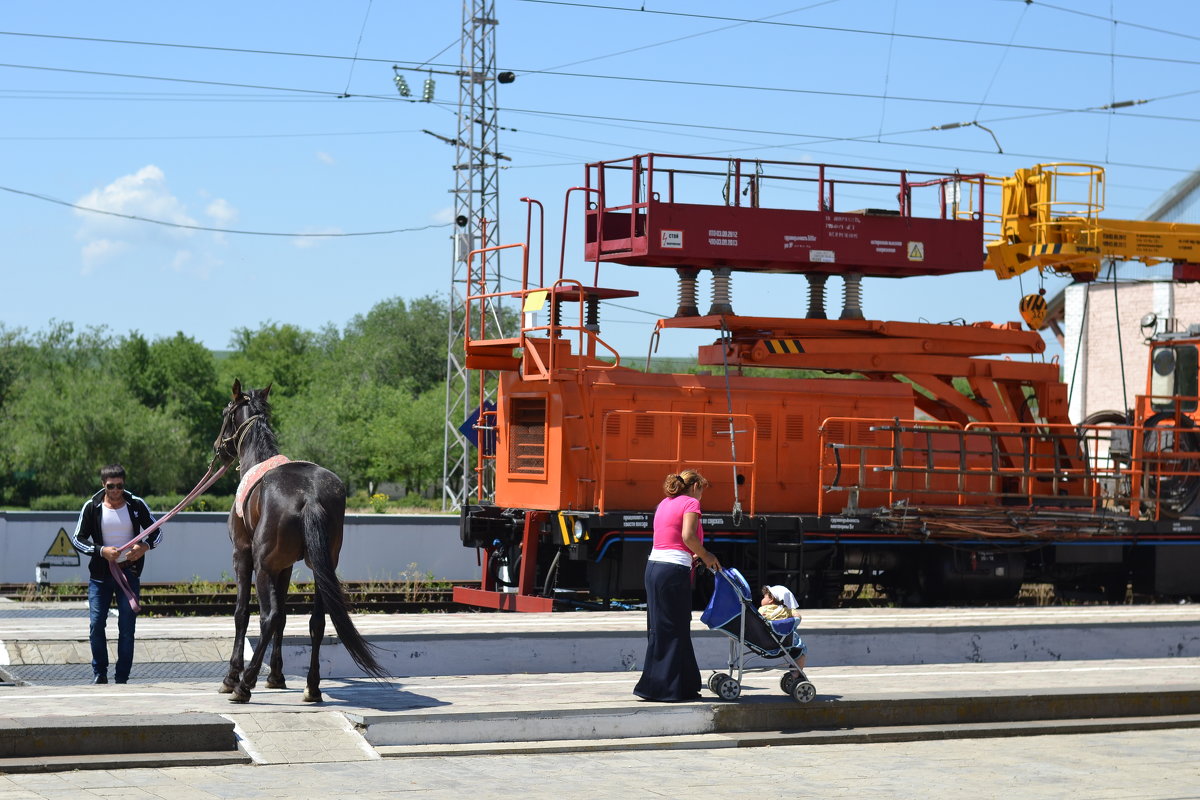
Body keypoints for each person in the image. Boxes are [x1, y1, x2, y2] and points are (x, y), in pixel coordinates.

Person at [634, 469, 721, 702]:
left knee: (659, 629)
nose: (702, 495)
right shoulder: (691, 503)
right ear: (695, 487)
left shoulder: (664, 503)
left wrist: (691, 554)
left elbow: (667, 538)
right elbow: (688, 536)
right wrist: (706, 555)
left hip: (654, 568)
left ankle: (665, 685)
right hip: (672, 572)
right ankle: (670, 689)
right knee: (676, 628)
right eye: (702, 489)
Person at [70, 464, 162, 684]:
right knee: (96, 625)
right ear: (103, 485)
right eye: (111, 486)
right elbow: (77, 540)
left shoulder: (136, 505)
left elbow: (157, 532)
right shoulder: (91, 507)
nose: (115, 491)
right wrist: (102, 551)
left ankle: (122, 677)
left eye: (120, 486)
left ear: (124, 484)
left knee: (127, 628)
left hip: (128, 574)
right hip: (100, 577)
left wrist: (143, 547)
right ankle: (99, 673)